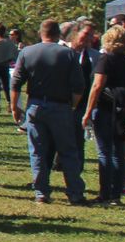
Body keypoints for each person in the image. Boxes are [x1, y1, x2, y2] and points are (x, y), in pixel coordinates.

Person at [10, 19, 88, 205]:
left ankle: (41, 192)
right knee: (68, 150)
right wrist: (72, 105)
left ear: (41, 33)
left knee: (37, 150)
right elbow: (79, 86)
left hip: (35, 105)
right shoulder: (68, 54)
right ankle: (75, 192)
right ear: (58, 34)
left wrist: (14, 106)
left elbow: (16, 81)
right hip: (60, 105)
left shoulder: (27, 52)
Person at [82, 26, 125, 204]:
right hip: (122, 109)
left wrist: (88, 111)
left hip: (106, 109)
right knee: (118, 152)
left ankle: (104, 193)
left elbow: (97, 86)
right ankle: (116, 193)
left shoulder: (105, 59)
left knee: (104, 152)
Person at [0, 26, 18, 112]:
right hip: (5, 66)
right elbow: (14, 55)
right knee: (6, 86)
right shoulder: (9, 43)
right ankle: (9, 104)